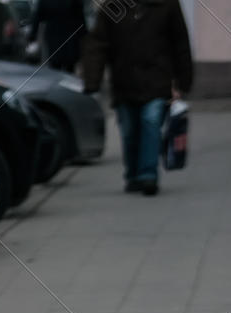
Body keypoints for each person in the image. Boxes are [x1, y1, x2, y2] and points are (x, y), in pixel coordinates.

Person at [82, 0, 194, 196]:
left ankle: (148, 174)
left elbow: (180, 43)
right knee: (129, 131)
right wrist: (92, 80)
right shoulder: (113, 7)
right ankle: (133, 174)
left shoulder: (166, 5)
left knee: (150, 122)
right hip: (124, 83)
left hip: (157, 80)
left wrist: (183, 81)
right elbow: (97, 45)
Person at [32, 0, 88, 72]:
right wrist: (84, 35)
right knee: (69, 65)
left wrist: (32, 35)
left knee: (55, 64)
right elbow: (80, 18)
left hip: (54, 35)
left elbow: (38, 17)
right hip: (69, 35)